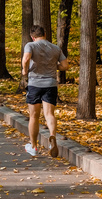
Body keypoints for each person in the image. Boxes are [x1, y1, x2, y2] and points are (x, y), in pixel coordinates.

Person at [21, 24, 68, 158]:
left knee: (34, 116)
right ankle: (52, 136)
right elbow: (65, 65)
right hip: (50, 84)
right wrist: (55, 65)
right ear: (45, 34)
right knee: (49, 114)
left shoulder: (30, 45)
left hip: (35, 84)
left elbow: (26, 58)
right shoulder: (55, 48)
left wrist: (25, 70)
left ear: (32, 36)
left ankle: (34, 147)